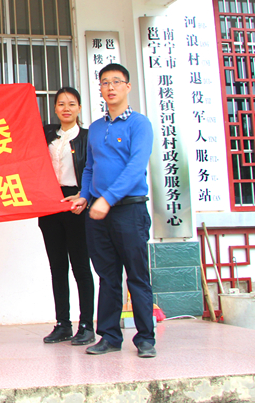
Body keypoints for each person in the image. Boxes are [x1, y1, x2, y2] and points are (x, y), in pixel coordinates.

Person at [70, 63, 156, 359]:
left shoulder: (139, 124)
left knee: (137, 276)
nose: (110, 87)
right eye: (105, 82)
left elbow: (136, 167)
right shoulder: (96, 128)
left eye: (116, 82)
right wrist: (85, 196)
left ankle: (145, 338)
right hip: (97, 213)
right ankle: (109, 336)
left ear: (127, 87)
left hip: (129, 210)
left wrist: (107, 198)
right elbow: (90, 168)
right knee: (107, 276)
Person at [39, 87, 95, 346]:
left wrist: (85, 195)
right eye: (61, 103)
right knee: (57, 267)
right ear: (54, 108)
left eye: (71, 104)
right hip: (50, 203)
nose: (66, 108)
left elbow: (95, 169)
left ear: (79, 108)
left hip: (77, 202)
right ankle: (62, 324)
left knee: (81, 266)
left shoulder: (88, 137)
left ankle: (86, 325)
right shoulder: (47, 135)